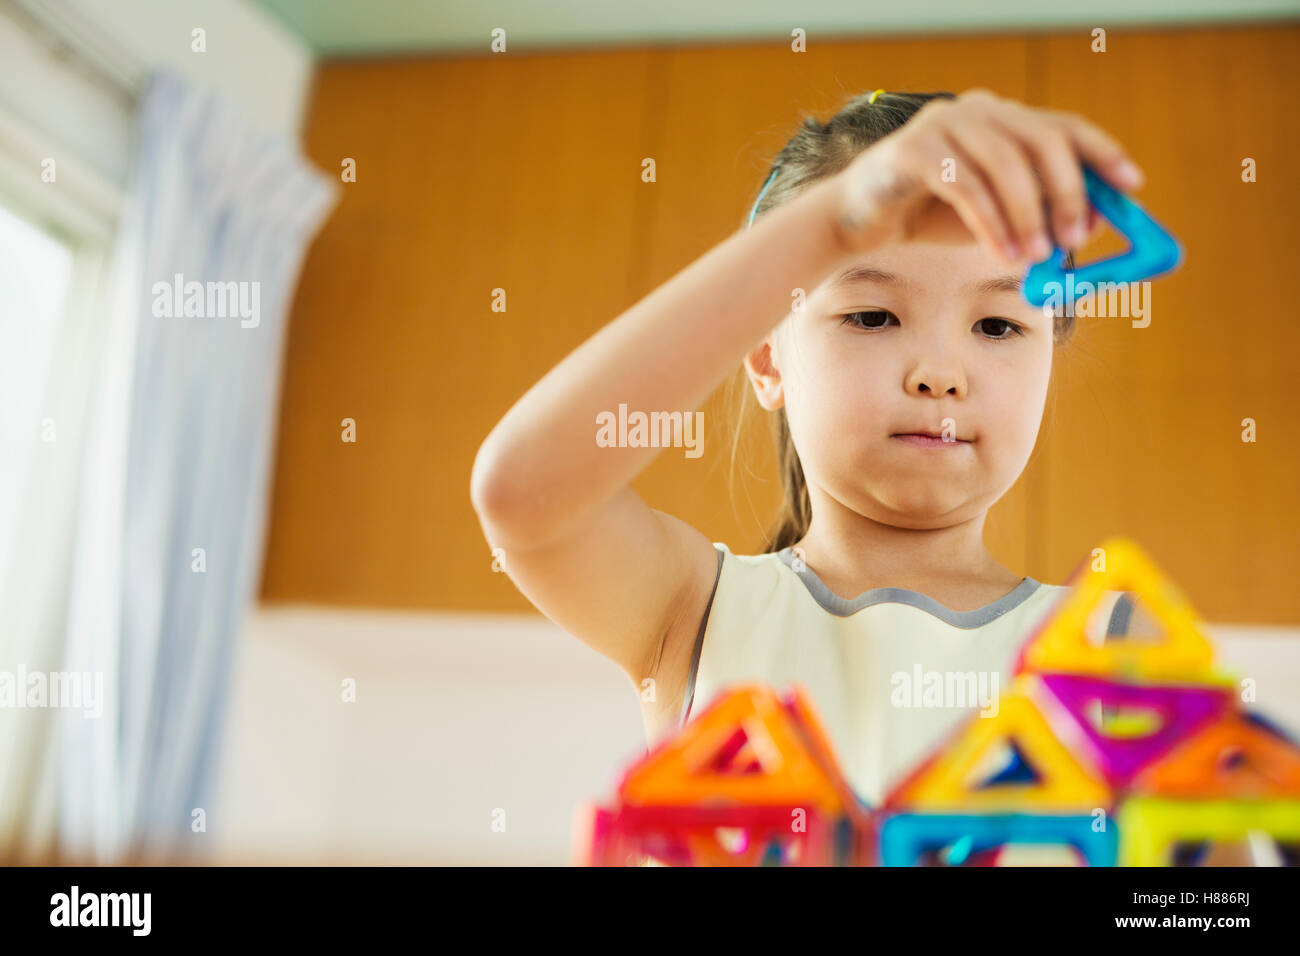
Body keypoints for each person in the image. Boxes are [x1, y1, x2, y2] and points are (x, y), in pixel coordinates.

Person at [471, 88, 1153, 806]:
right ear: (766, 358)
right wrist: (835, 222)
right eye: (871, 315)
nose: (940, 374)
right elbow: (521, 493)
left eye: (997, 327)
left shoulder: (1107, 643)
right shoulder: (691, 610)